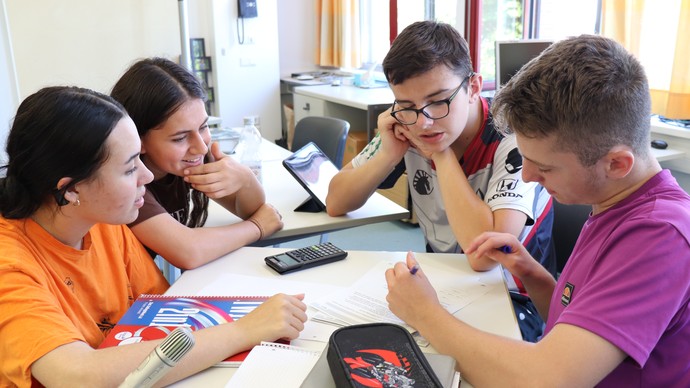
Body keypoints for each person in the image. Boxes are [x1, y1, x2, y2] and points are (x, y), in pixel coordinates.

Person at [385, 34, 690, 386]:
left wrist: (425, 314)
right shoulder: (614, 203)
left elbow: (548, 379)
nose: (529, 176)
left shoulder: (659, 234)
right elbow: (573, 321)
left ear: (617, 164)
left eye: (544, 168)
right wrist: (532, 273)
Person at [0, 86, 307, 387]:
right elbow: (77, 376)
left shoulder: (102, 221)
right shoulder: (10, 264)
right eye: (130, 168)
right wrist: (243, 331)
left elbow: (160, 313)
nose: (146, 177)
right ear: (72, 189)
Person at [326, 21, 555, 341]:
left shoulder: (515, 140)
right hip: (443, 289)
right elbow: (336, 200)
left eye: (438, 101)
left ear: (473, 87)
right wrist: (387, 155)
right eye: (407, 106)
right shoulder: (405, 127)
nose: (424, 121)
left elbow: (486, 257)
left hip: (514, 304)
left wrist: (440, 154)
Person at [110, 57, 282, 269]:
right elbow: (189, 251)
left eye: (203, 127)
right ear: (138, 138)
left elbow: (252, 209)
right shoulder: (128, 182)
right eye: (180, 138)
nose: (200, 147)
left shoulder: (188, 160)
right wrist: (257, 227)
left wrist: (244, 179)